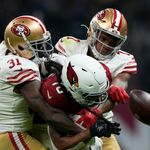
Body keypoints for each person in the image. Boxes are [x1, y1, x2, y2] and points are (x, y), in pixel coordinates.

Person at [0, 15, 121, 150]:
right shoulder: (22, 67)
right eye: (37, 45)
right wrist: (87, 132)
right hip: (8, 132)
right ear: (20, 48)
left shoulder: (6, 49)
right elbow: (49, 114)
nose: (44, 49)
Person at [55, 8, 137, 150]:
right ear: (93, 31)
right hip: (67, 120)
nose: (106, 45)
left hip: (100, 125)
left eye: (113, 42)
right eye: (104, 38)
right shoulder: (70, 46)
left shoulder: (123, 60)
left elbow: (121, 80)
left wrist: (115, 89)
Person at [40, 54, 121, 150]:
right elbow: (59, 144)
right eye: (91, 96)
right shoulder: (56, 96)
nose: (97, 100)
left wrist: (98, 112)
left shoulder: (99, 74)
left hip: (85, 118)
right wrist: (90, 132)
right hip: (42, 128)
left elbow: (107, 100)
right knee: (91, 140)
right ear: (73, 89)